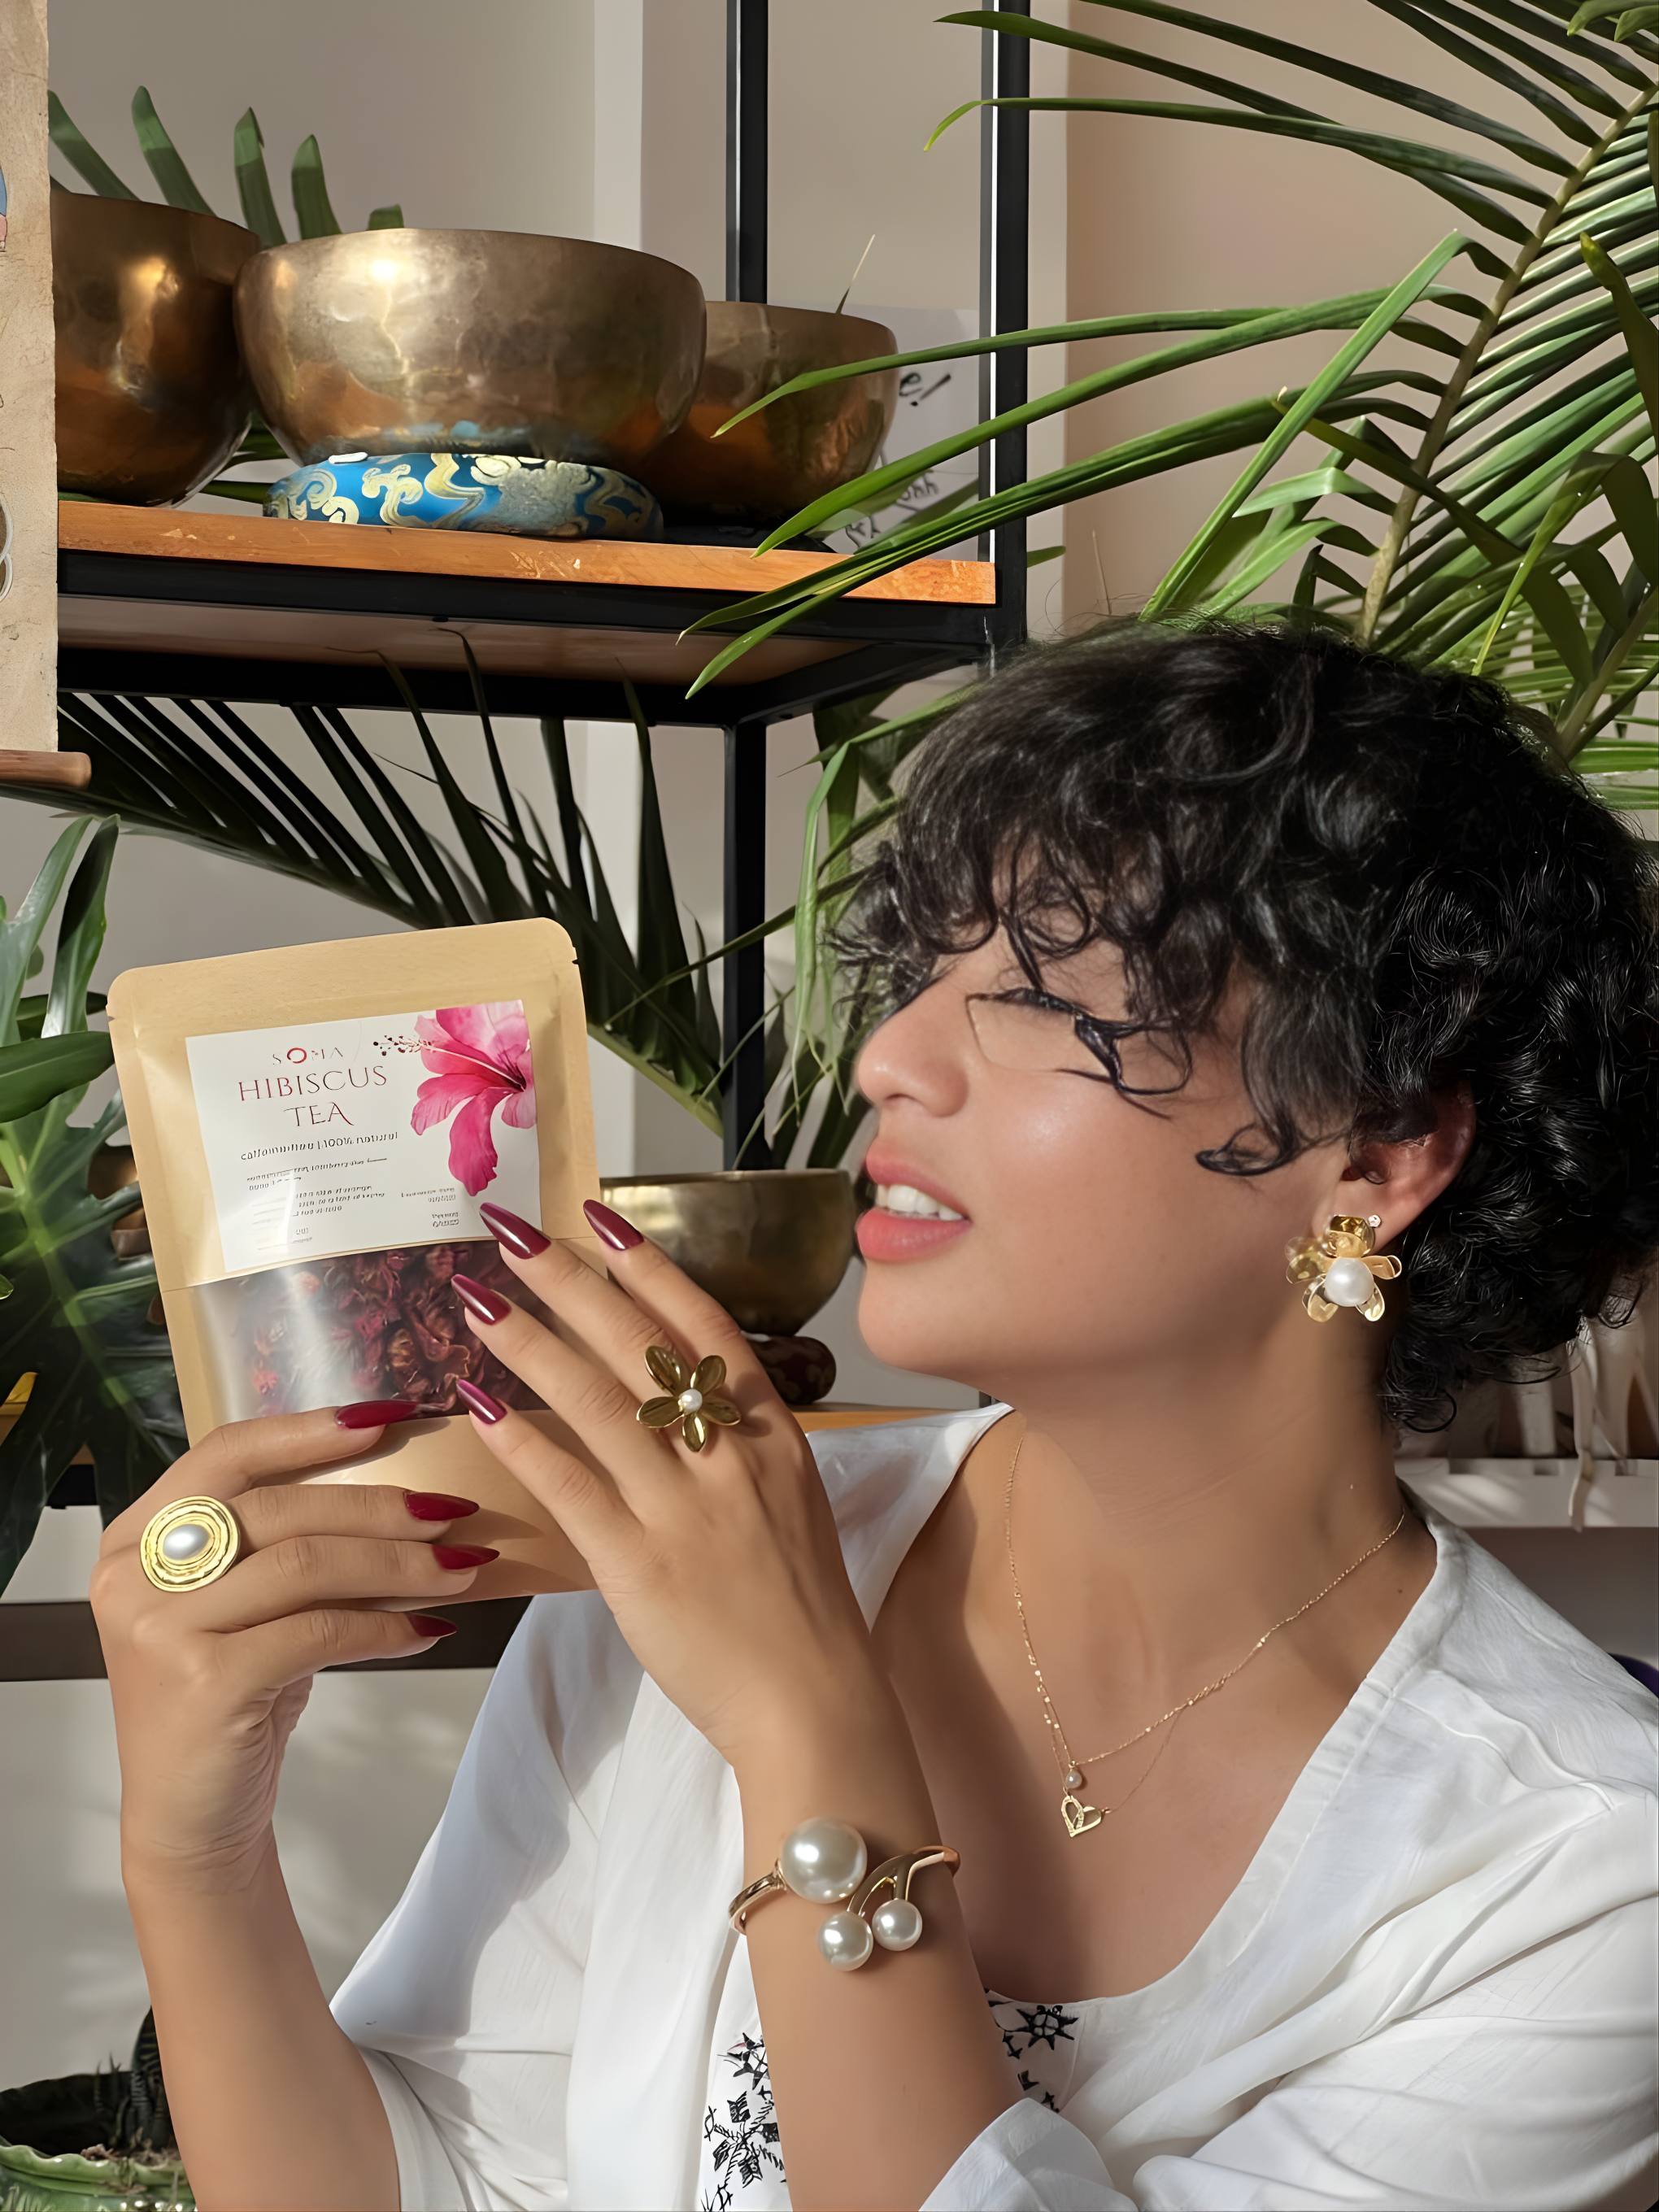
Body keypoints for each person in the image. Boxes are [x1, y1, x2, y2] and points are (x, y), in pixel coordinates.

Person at [95, 620, 1659, 2211]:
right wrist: (194, 1851)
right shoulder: (681, 1571)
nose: (894, 1058)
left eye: (1046, 991)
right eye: (925, 973)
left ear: (1378, 1150)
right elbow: (434, 2187)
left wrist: (804, 1720)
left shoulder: (1577, 1879)